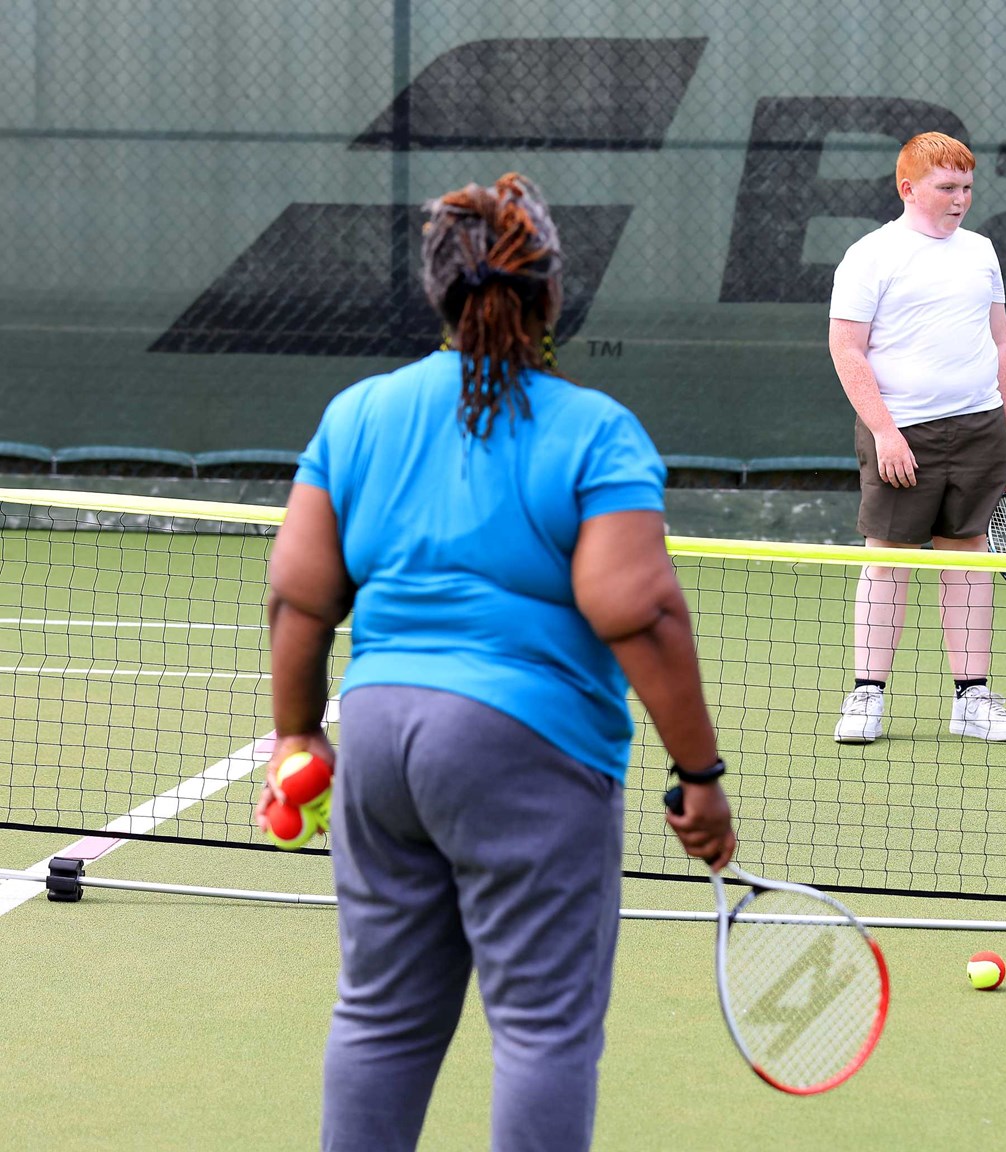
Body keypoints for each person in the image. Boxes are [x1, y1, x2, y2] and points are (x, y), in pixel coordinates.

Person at [262, 173, 736, 1152]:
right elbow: (636, 611)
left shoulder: (357, 414)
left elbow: (297, 596)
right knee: (541, 1031)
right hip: (527, 747)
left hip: (382, 737)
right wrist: (699, 777)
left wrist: (299, 732)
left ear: (437, 293)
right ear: (551, 293)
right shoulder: (594, 430)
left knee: (379, 1017)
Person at [825, 130, 1006, 744]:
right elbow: (846, 348)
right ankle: (867, 697)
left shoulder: (982, 252)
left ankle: (972, 700)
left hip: (980, 429)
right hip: (902, 434)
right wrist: (886, 433)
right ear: (908, 188)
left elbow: (1001, 343)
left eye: (967, 187)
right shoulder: (870, 256)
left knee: (967, 561)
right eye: (947, 187)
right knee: (887, 563)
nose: (960, 198)